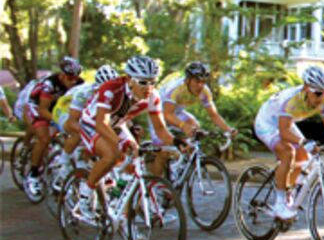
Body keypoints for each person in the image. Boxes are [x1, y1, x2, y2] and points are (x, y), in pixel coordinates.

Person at [254, 65, 324, 220]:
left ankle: (288, 192)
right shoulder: (291, 101)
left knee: (303, 158)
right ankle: (279, 203)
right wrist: (303, 141)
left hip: (286, 123)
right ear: (306, 88)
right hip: (266, 123)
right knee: (287, 152)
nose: (321, 97)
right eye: (318, 93)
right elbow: (284, 132)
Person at [76, 56, 180, 214]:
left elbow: (160, 129)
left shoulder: (153, 96)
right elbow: (101, 123)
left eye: (153, 82)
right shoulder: (111, 89)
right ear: (130, 79)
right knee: (111, 156)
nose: (149, 87)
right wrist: (120, 143)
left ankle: (121, 213)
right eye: (143, 82)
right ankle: (86, 192)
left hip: (117, 124)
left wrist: (177, 143)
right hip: (92, 123)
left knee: (134, 166)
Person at [147, 62, 238, 177]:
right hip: (159, 112)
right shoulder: (176, 89)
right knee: (163, 152)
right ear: (188, 80)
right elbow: (167, 115)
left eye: (203, 82)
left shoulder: (205, 92)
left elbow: (214, 115)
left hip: (177, 112)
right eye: (197, 81)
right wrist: (183, 126)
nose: (200, 85)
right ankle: (154, 184)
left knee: (195, 127)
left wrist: (228, 129)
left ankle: (182, 164)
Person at [24, 57, 85, 196]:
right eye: (70, 79)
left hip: (60, 108)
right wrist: (59, 123)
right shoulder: (49, 84)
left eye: (76, 78)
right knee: (44, 138)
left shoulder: (79, 84)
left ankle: (59, 164)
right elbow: (43, 110)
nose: (74, 82)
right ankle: (33, 175)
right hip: (39, 107)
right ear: (62, 75)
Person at [51, 65, 121, 182]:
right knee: (78, 132)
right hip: (64, 109)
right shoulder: (85, 92)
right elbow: (73, 120)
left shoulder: (114, 94)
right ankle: (62, 162)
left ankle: (83, 160)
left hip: (84, 113)